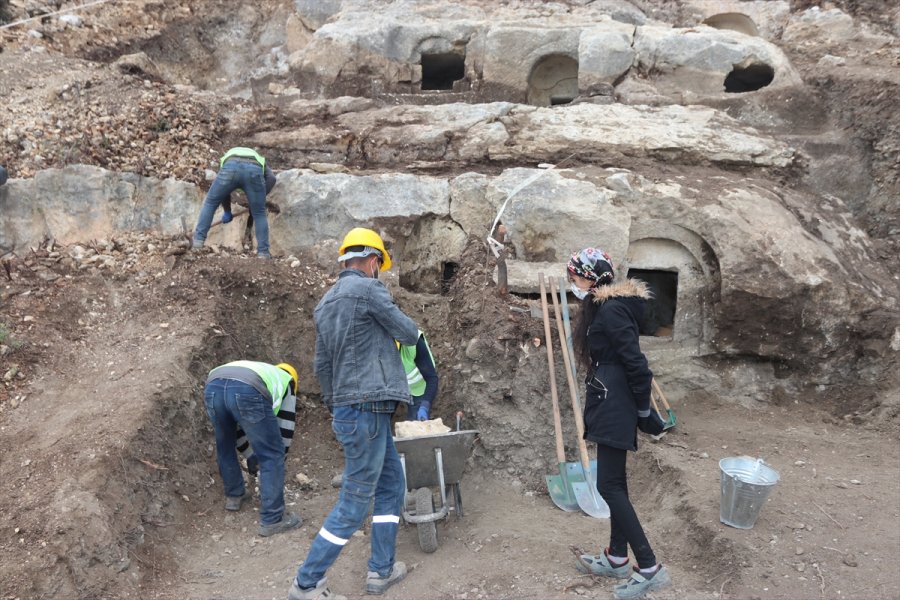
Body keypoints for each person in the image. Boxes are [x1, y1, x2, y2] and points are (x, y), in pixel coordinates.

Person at [288, 228, 419, 600]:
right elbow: (408, 333)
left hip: (353, 409)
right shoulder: (368, 289)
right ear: (373, 260)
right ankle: (306, 582)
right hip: (368, 407)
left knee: (391, 486)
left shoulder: (325, 303)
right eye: (380, 263)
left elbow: (321, 363)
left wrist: (338, 406)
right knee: (355, 500)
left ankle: (381, 570)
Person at [567, 248, 671, 600]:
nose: (573, 283)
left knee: (609, 486)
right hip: (608, 397)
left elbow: (637, 364)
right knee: (615, 483)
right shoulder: (605, 307)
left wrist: (643, 410)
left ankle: (649, 567)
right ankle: (615, 557)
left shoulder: (611, 312)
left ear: (592, 278)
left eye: (577, 277)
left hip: (615, 402)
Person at [204, 360, 301, 537]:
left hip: (214, 385)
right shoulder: (286, 382)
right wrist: (275, 461)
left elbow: (237, 432)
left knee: (224, 443)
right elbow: (285, 430)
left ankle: (234, 495)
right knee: (272, 454)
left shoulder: (262, 371)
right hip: (247, 389)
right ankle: (272, 519)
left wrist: (250, 455)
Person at [192, 147, 277, 258]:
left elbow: (223, 191)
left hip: (230, 167)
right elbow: (272, 178)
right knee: (259, 213)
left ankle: (197, 242)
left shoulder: (228, 156)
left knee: (210, 203)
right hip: (253, 169)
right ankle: (263, 253)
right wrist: (258, 200)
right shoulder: (258, 158)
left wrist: (227, 211)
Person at [399, 330, 438, 421]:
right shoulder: (379, 345)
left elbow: (432, 378)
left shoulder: (414, 342)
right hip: (397, 387)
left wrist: (424, 406)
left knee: (416, 424)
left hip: (419, 389)